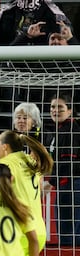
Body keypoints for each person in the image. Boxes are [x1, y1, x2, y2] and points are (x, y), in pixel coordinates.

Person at [42, 93, 80, 246]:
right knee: (67, 231)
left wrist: (51, 182)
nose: (55, 110)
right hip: (67, 185)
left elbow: (67, 161)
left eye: (60, 107)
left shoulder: (70, 129)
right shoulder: (61, 129)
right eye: (52, 107)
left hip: (72, 186)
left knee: (70, 232)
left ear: (70, 111)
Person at [0, 0, 70, 46]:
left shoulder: (52, 8)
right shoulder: (5, 10)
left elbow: (67, 37)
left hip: (43, 67)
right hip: (9, 67)